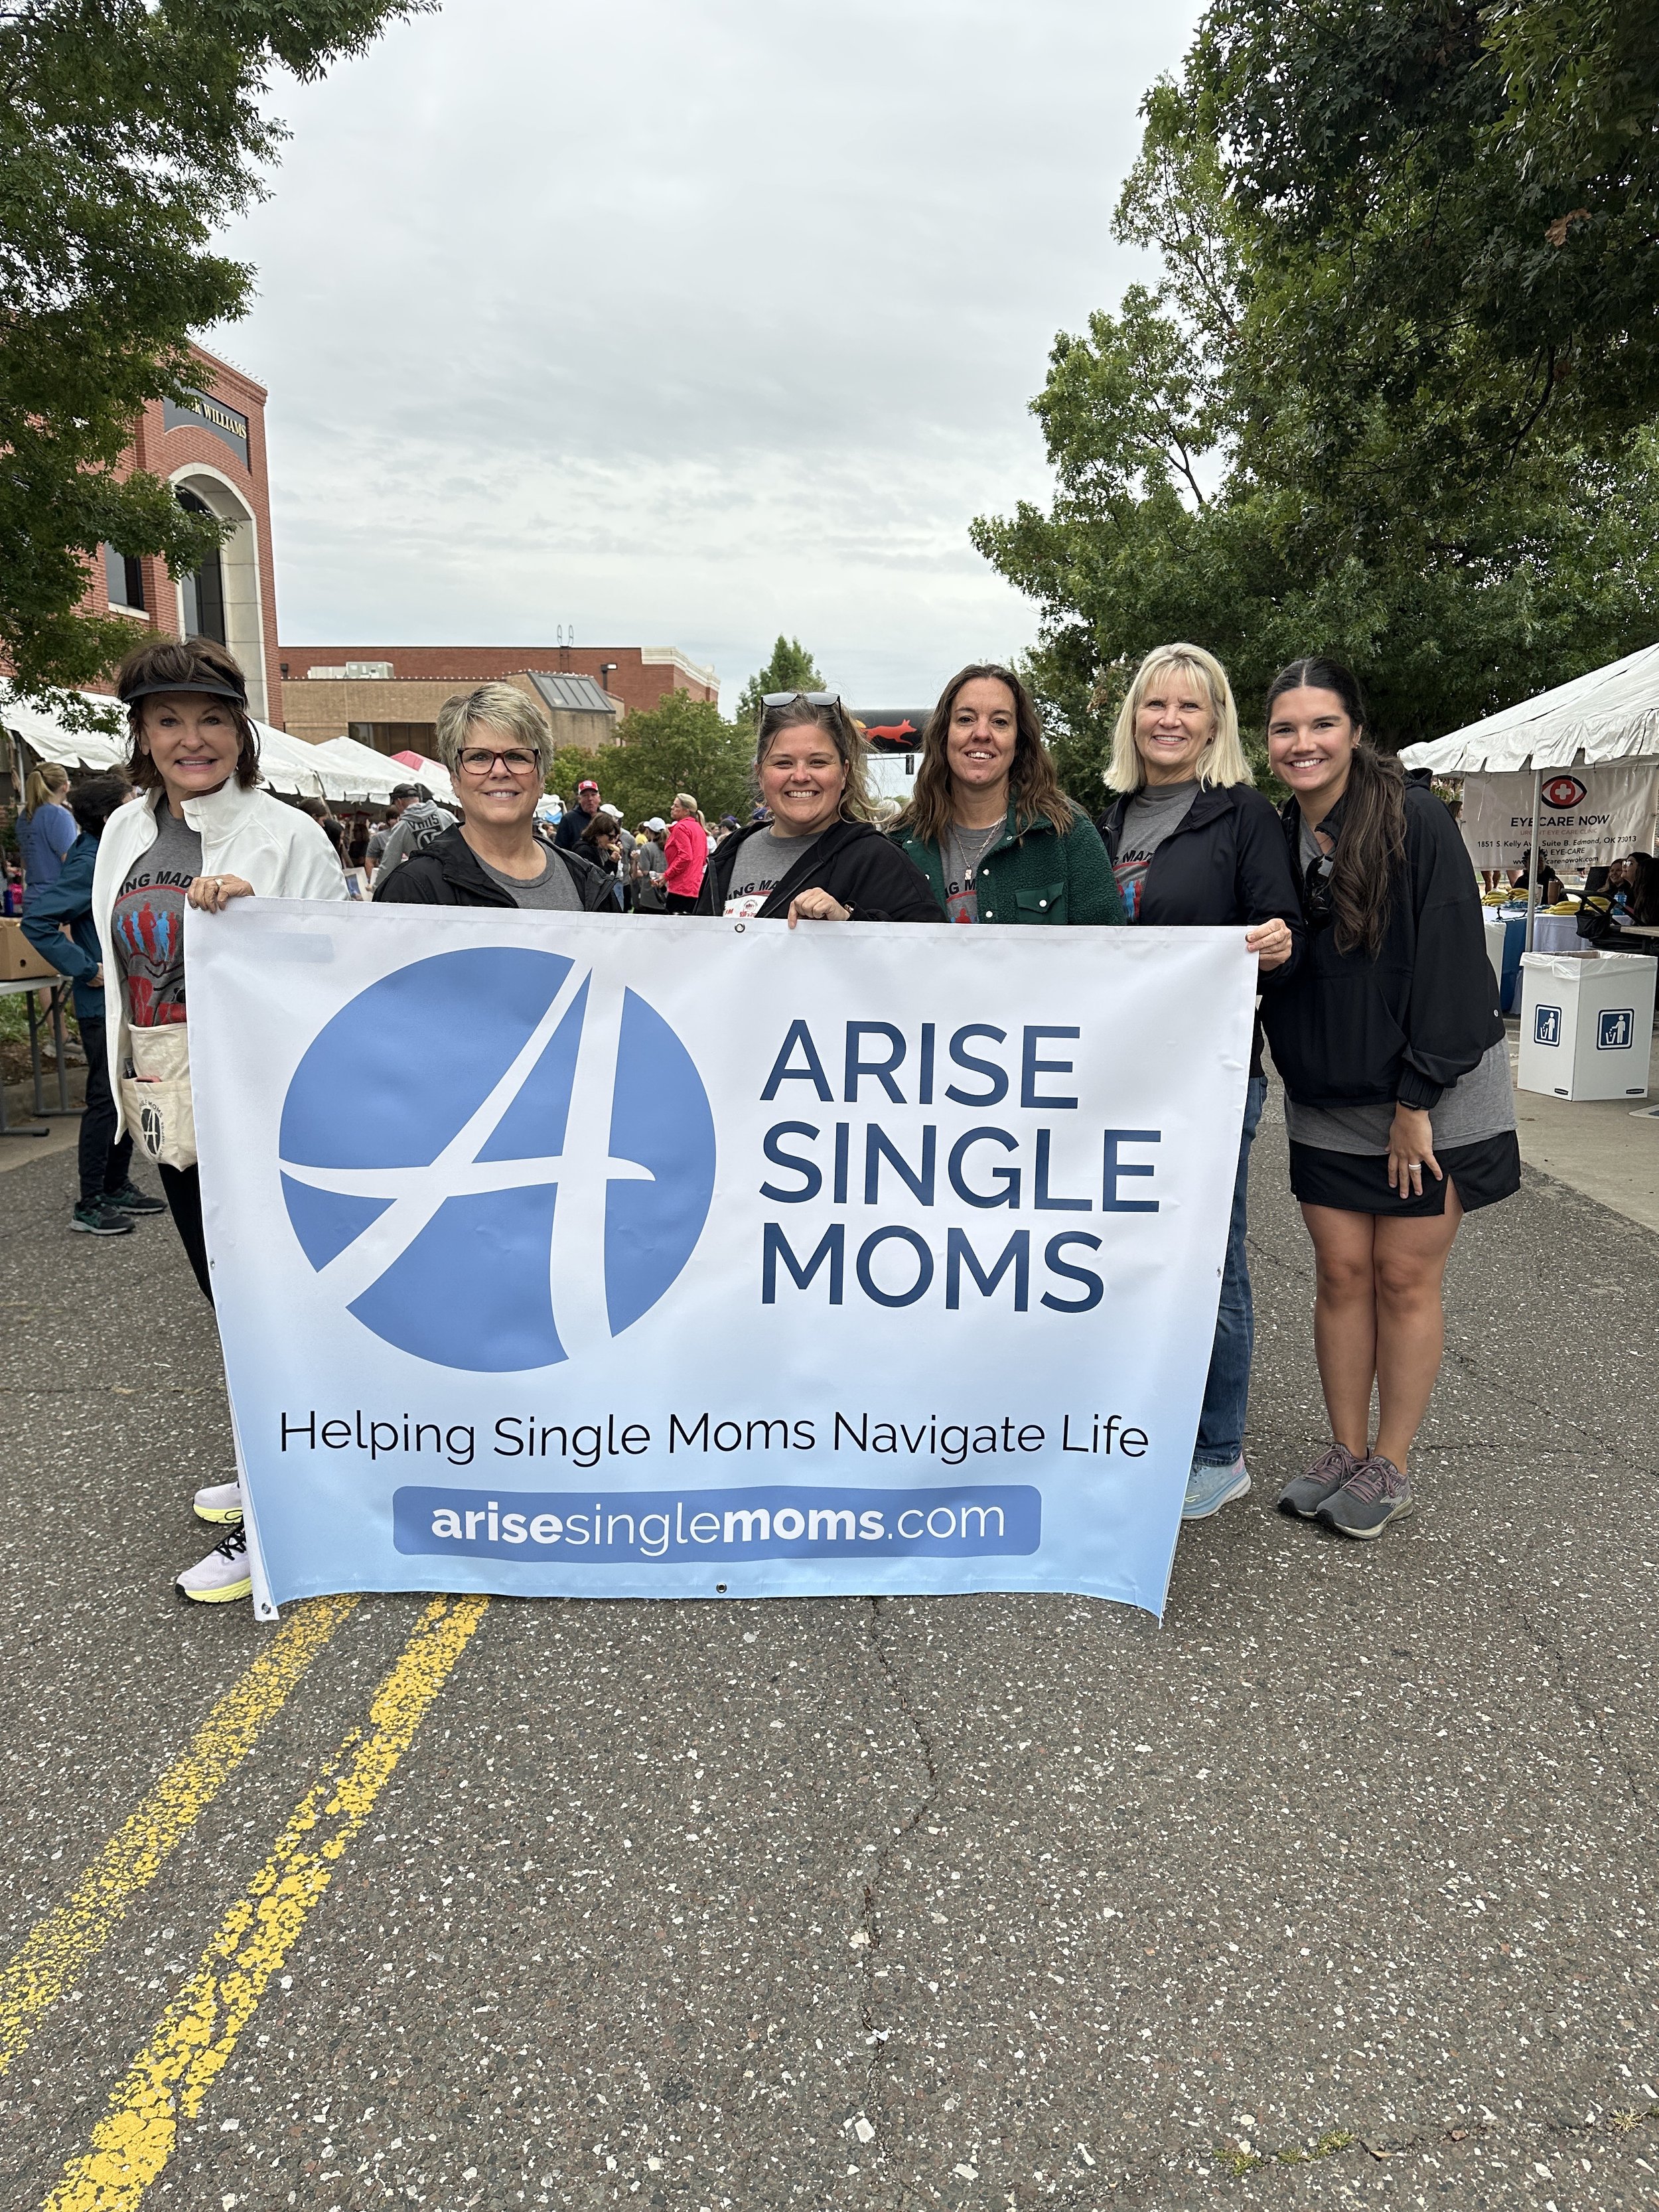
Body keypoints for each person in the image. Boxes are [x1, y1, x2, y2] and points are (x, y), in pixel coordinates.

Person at [93, 635, 346, 1603]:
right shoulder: (125, 830)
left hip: (262, 1105)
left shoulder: (288, 836)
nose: (190, 739)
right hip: (169, 1094)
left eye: (211, 719)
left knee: (266, 1307)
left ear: (241, 732)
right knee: (224, 1300)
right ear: (143, 735)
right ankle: (265, 1455)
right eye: (168, 721)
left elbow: (339, 965)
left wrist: (262, 923)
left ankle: (281, 1506)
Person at [1260, 656, 1518, 1540]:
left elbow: (1450, 960)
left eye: (1321, 724)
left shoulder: (1415, 818)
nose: (1302, 743)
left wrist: (1417, 1102)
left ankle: (1391, 1462)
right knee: (1340, 1275)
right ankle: (1343, 1448)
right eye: (1285, 728)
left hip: (1428, 1088)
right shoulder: (1275, 834)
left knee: (1403, 1278)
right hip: (1329, 1089)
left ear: (1355, 732)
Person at [1095, 644, 1304, 1519]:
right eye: (1156, 704)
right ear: (1133, 718)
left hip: (1207, 1077)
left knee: (1210, 1258)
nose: (1170, 720)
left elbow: (1283, 928)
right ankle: (1133, 1426)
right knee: (1121, 1255)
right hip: (1114, 1078)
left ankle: (1217, 1448)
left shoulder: (1243, 814)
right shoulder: (1104, 818)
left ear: (1216, 722)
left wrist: (1279, 942)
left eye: (1189, 706)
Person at [21, 774, 167, 1237]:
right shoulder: (88, 862)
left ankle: (116, 1185)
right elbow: (37, 921)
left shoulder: (109, 853)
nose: (139, 807)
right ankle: (89, 1203)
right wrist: (85, 968)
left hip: (125, 998)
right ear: (109, 817)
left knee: (125, 1091)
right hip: (100, 1003)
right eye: (130, 802)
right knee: (105, 1098)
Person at [891, 662, 1124, 925]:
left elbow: (1106, 945)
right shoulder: (901, 843)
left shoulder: (1068, 835)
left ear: (1019, 741)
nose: (981, 734)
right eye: (966, 719)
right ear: (944, 734)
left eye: (1000, 722)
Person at [697, 694, 942, 922]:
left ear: (844, 773)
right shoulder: (729, 855)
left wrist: (849, 921)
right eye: (783, 763)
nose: (800, 776)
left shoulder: (881, 862)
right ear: (760, 774)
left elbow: (928, 948)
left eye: (818, 762)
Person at [375, 684, 616, 913]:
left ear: (541, 778)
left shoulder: (590, 885)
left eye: (517, 756)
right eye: (479, 757)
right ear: (455, 779)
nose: (500, 771)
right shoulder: (410, 891)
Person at [19, 762, 77, 893]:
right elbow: (71, 862)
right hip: (57, 895)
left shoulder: (25, 815)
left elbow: (25, 863)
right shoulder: (60, 816)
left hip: (32, 895)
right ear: (65, 786)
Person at [664, 793, 709, 913]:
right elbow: (704, 859)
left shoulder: (681, 828)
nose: (672, 808)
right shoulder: (699, 829)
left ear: (686, 811)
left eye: (676, 806)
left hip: (680, 889)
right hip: (695, 889)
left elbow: (685, 857)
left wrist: (666, 876)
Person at [365, 784, 420, 879]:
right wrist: (374, 882)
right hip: (390, 879)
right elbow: (369, 862)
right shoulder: (379, 838)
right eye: (394, 818)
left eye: (399, 816)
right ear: (388, 820)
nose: (398, 820)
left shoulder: (412, 832)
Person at [555, 776, 603, 850]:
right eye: (585, 796)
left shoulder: (604, 819)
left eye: (593, 795)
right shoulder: (569, 819)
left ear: (599, 798)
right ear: (579, 799)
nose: (590, 799)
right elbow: (559, 848)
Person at [632, 818, 668, 912]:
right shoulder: (669, 846)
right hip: (666, 891)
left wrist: (638, 860)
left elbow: (645, 871)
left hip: (650, 893)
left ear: (649, 831)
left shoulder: (647, 847)